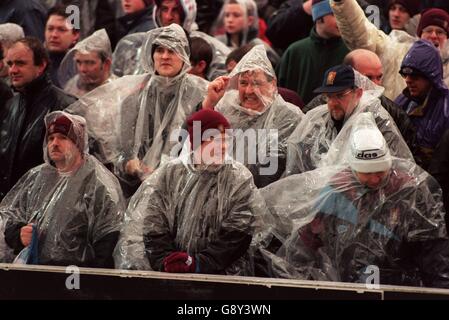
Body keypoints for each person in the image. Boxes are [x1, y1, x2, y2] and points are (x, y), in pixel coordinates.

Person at [261, 113, 449, 288]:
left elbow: (434, 246)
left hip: (398, 285)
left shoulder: (410, 191)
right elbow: (309, 239)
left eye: (380, 172)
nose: (375, 179)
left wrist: (440, 288)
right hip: (346, 283)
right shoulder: (337, 191)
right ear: (352, 168)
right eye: (367, 174)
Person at [114, 108, 265, 274]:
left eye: (225, 140)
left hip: (223, 278)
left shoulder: (238, 179)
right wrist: (166, 260)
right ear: (196, 142)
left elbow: (238, 234)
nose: (222, 146)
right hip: (171, 274)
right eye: (213, 139)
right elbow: (153, 224)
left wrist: (200, 264)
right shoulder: (170, 174)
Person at [67, 24, 208, 198]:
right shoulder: (133, 98)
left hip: (183, 191)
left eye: (172, 51)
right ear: (152, 55)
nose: (164, 57)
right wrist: (130, 164)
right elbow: (121, 150)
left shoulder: (200, 95)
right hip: (137, 191)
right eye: (159, 50)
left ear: (185, 55)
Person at [0, 112, 124, 267]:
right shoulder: (37, 177)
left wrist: (91, 282)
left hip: (77, 279)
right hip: (35, 275)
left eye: (63, 137)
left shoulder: (99, 182)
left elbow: (108, 239)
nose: (54, 143)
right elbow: (11, 217)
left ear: (78, 143)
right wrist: (19, 235)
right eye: (51, 138)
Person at [202, 45, 304, 187]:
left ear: (272, 84)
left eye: (256, 83)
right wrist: (209, 104)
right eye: (243, 83)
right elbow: (196, 149)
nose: (249, 90)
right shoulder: (225, 107)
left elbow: (270, 172)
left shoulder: (288, 117)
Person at [285, 64, 412, 175]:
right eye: (329, 96)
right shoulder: (317, 120)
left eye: (340, 95)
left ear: (358, 93)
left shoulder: (377, 119)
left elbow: (396, 167)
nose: (333, 103)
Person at [303, 49, 418, 160]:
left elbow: (405, 159)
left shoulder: (391, 113)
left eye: (379, 77)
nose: (375, 84)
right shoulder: (317, 111)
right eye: (368, 78)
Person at [0, 37, 76, 202]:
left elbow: (70, 167)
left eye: (20, 63)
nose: (12, 70)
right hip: (10, 206)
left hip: (43, 206)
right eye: (10, 63)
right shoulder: (10, 105)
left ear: (41, 66)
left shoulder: (64, 105)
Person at [331, 0, 449, 100]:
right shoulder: (394, 50)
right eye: (428, 31)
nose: (433, 36)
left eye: (440, 32)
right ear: (419, 34)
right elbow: (362, 35)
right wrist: (343, 3)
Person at [276, 0, 349, 104]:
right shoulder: (295, 52)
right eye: (335, 14)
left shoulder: (350, 50)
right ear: (319, 18)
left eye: (343, 14)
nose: (342, 20)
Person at [395, 40, 449, 169]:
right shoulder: (402, 102)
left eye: (414, 76)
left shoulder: (446, 111)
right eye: (405, 74)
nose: (408, 80)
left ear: (431, 77)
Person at [214, 0, 280, 67]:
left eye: (236, 15)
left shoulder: (258, 47)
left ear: (249, 20)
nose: (230, 20)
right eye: (227, 15)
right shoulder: (218, 41)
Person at [59, 29, 116, 97]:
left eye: (90, 63)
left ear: (106, 64)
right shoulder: (71, 87)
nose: (82, 69)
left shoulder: (120, 92)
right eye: (78, 62)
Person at [44, 5, 81, 87]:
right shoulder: (34, 64)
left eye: (61, 30)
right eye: (50, 29)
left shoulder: (83, 69)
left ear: (75, 35)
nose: (54, 35)